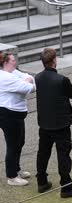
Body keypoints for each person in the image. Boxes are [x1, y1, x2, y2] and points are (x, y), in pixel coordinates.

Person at [34, 48, 72, 198]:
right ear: (54, 61)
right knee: (63, 154)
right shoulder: (62, 79)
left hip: (44, 123)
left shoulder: (37, 78)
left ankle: (41, 181)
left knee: (43, 152)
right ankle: (66, 187)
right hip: (61, 124)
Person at [0, 52, 35, 186]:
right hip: (8, 114)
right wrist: (27, 82)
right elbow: (29, 87)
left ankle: (16, 169)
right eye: (13, 60)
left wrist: (27, 81)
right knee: (13, 144)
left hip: (17, 114)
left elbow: (31, 80)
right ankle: (12, 176)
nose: (15, 62)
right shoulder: (5, 77)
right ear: (6, 62)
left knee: (20, 142)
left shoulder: (14, 72)